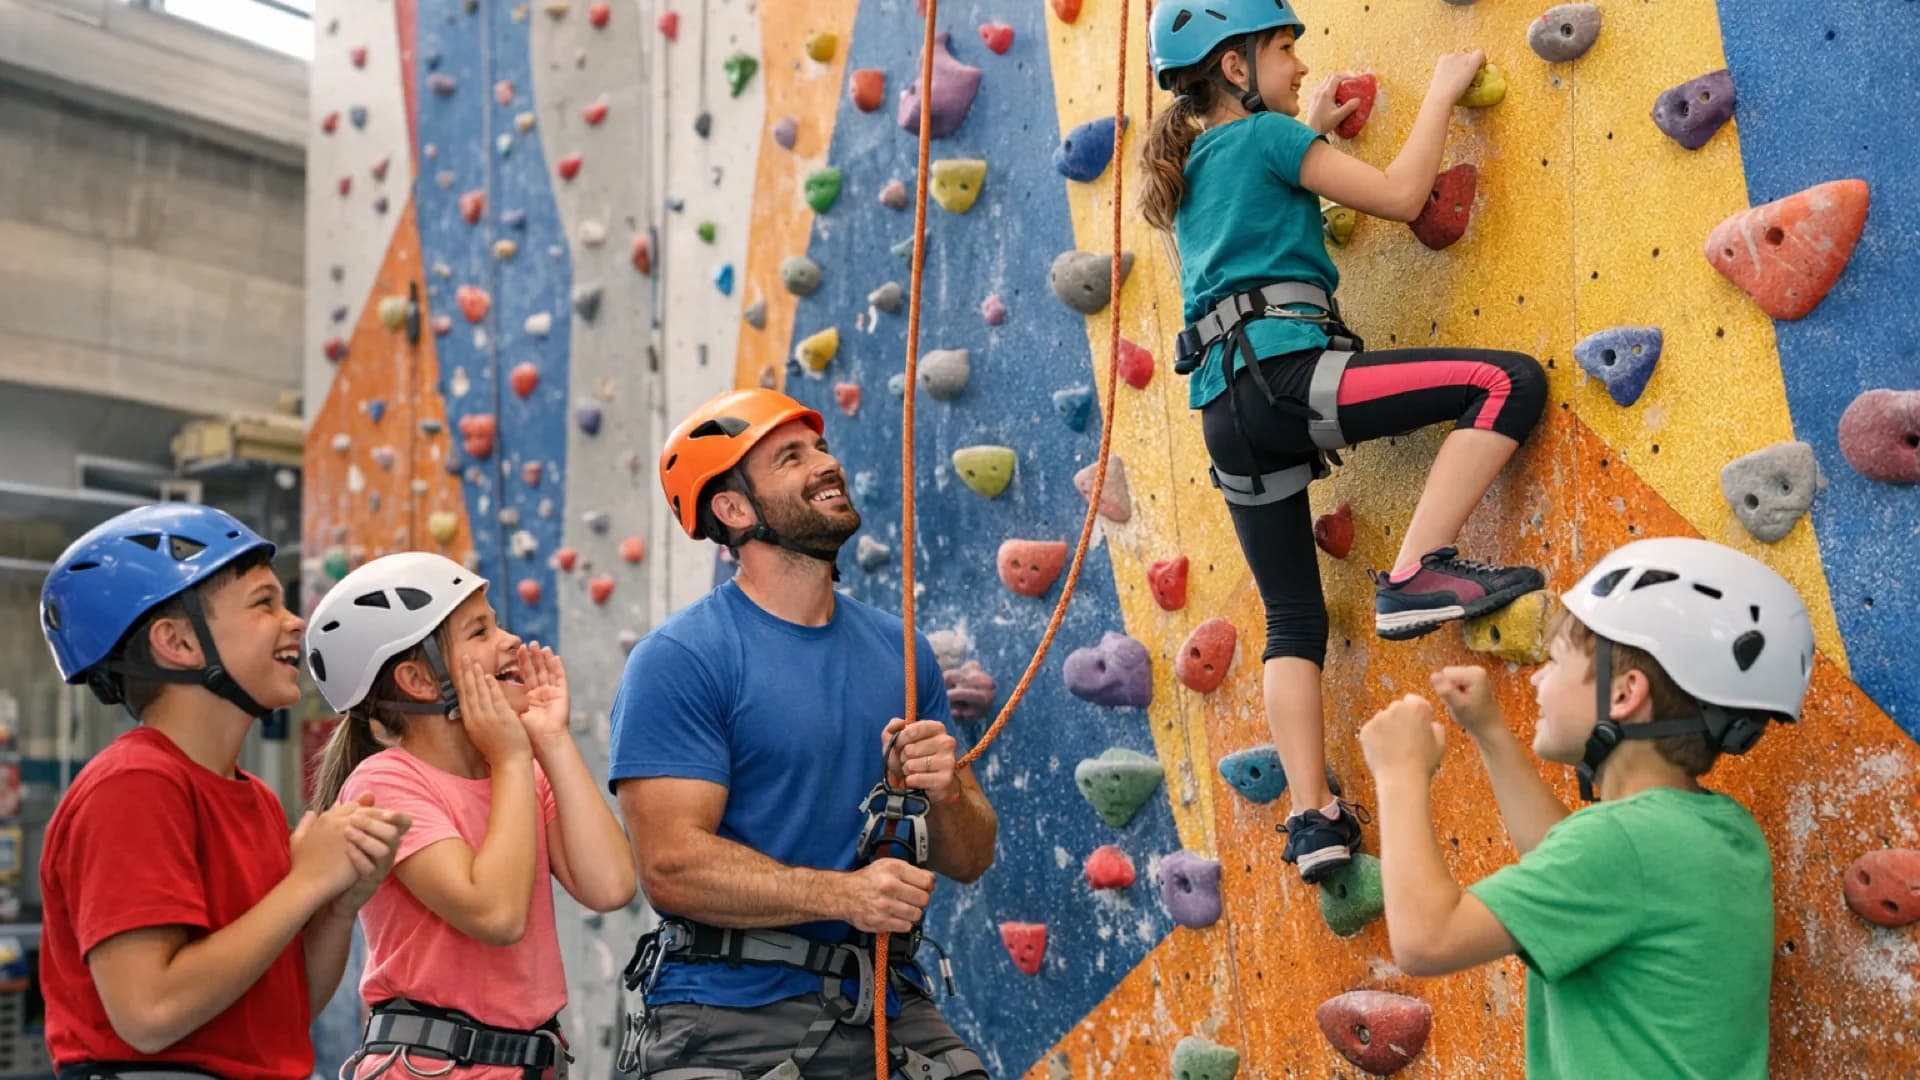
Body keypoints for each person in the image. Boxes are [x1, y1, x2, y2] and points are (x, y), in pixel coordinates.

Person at [1142, 0, 1551, 882]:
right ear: (1236, 68)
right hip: (1287, 378)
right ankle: (1417, 570)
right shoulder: (1266, 138)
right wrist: (1442, 89)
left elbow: (1258, 212)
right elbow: (1402, 197)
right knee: (1507, 382)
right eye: (1284, 48)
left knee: (1292, 614)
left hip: (1225, 414)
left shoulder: (1197, 167)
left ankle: (1312, 819)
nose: (1299, 65)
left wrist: (1314, 132)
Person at [610, 388, 998, 1078]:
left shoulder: (900, 652)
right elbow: (670, 867)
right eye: (790, 458)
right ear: (734, 510)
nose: (826, 464)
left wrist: (945, 794)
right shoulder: (682, 659)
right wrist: (842, 895)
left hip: (881, 999)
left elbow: (970, 857)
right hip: (731, 1012)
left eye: (819, 447)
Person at [1358, 537, 1815, 1079]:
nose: (1536, 678)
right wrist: (1489, 731)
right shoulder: (1719, 828)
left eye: (1554, 661)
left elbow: (1427, 940)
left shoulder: (1623, 844)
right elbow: (1573, 863)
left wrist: (1399, 773)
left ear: (1624, 695)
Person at [37, 503, 408, 1076]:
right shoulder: (134, 786)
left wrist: (336, 905)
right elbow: (150, 1012)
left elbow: (283, 1014)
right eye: (264, 603)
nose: (295, 622)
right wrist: (306, 881)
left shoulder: (255, 799)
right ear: (179, 642)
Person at [305, 552, 636, 1077]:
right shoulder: (385, 783)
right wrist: (512, 759)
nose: (510, 640)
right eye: (480, 631)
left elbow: (611, 886)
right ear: (418, 679)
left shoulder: (520, 774)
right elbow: (496, 916)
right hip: (431, 1066)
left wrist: (551, 739)